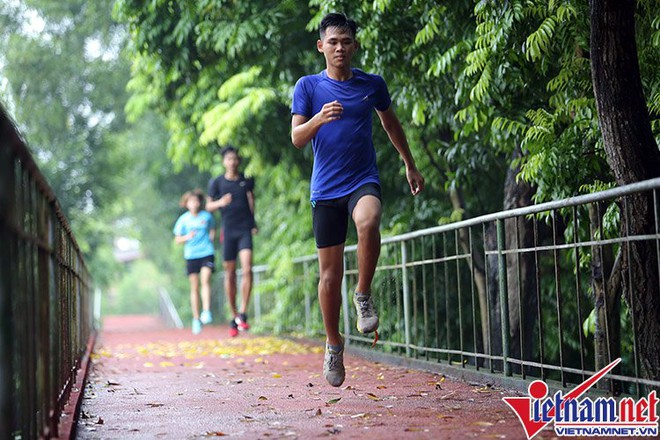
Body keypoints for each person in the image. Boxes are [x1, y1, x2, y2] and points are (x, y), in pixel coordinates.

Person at [290, 12, 425, 387]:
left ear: (355, 45)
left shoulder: (371, 84)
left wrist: (409, 164)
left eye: (346, 42)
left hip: (362, 180)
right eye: (332, 42)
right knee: (329, 276)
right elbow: (297, 138)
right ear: (321, 46)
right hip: (325, 191)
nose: (340, 48)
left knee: (369, 220)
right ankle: (334, 344)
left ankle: (363, 293)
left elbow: (390, 123)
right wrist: (318, 119)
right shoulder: (308, 87)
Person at [206, 146, 257, 338]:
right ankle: (234, 315)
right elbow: (208, 205)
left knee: (247, 269)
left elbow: (251, 199)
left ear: (238, 161)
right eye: (229, 159)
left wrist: (253, 222)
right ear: (224, 161)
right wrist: (220, 203)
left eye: (235, 159)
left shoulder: (246, 179)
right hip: (228, 232)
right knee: (230, 274)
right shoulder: (217, 182)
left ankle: (243, 312)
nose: (232, 162)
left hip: (244, 229)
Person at [173, 189, 216, 335]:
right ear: (187, 204)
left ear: (200, 202)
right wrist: (187, 237)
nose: (195, 204)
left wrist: (211, 237)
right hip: (191, 255)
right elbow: (177, 239)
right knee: (195, 286)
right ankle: (196, 319)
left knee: (205, 280)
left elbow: (212, 228)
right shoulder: (183, 220)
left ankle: (206, 311)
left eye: (197, 201)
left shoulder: (207, 216)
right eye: (191, 201)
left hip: (206, 252)